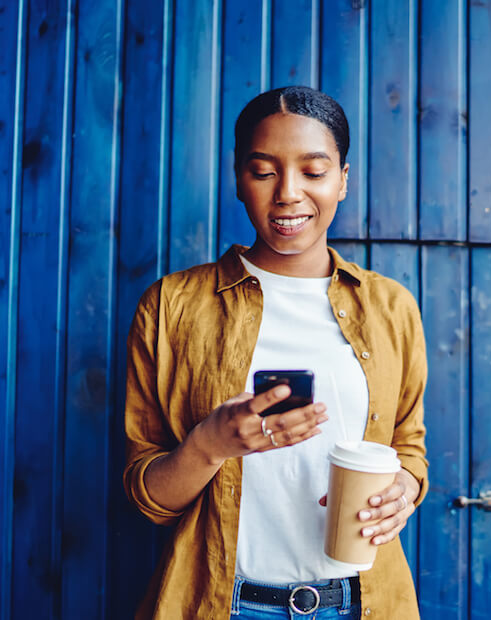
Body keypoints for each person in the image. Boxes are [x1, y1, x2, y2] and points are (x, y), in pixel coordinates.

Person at [123, 86, 428, 619]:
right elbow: (148, 497)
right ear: (239, 179)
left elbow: (408, 448)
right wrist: (209, 445)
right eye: (264, 172)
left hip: (362, 604)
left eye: (314, 171)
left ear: (343, 180)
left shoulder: (391, 308)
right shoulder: (171, 307)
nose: (288, 193)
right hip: (221, 604)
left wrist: (404, 487)